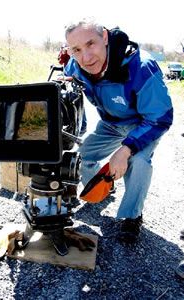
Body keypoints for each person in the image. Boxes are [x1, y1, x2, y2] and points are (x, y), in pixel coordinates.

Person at [63, 17, 173, 243]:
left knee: (139, 161)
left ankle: (132, 216)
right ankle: (103, 188)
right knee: (82, 157)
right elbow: (67, 73)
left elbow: (160, 117)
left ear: (104, 37)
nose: (86, 57)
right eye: (76, 49)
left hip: (141, 124)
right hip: (111, 124)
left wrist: (125, 150)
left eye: (90, 44)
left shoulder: (141, 67)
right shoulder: (76, 65)